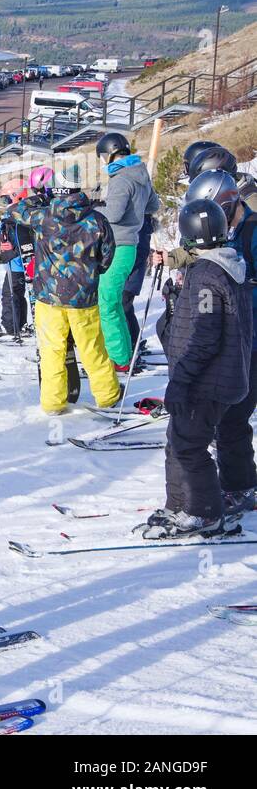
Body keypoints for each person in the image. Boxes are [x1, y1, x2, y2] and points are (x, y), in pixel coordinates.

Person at [137, 198, 251, 540]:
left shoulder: (206, 274)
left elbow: (204, 335)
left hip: (207, 381)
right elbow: (180, 332)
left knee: (189, 446)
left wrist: (183, 380)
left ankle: (204, 512)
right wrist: (173, 305)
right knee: (178, 440)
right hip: (214, 377)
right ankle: (179, 505)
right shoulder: (225, 266)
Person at [157, 167, 257, 518]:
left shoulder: (252, 233)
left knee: (227, 423)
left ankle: (227, 495)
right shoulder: (225, 246)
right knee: (224, 422)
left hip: (241, 343)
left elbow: (204, 331)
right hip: (233, 341)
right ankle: (223, 490)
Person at [2, 175, 121, 413]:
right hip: (83, 297)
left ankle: (53, 402)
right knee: (93, 349)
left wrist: (37, 197)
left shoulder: (44, 217)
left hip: (49, 296)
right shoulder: (96, 220)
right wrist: (91, 272)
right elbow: (107, 256)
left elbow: (15, 209)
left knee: (51, 351)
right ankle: (108, 396)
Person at [94, 132, 159, 370]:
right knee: (116, 303)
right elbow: (154, 205)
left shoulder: (120, 178)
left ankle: (119, 358)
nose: (103, 161)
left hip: (118, 246)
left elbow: (114, 215)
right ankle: (123, 352)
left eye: (103, 156)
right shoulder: (140, 173)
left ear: (110, 153)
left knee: (107, 303)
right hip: (131, 244)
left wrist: (94, 211)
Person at [0, 176, 35, 340]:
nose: (5, 203)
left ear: (17, 196)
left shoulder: (15, 217)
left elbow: (18, 240)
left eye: (6, 198)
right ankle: (19, 322)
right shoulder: (23, 214)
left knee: (10, 295)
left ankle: (10, 325)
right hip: (23, 265)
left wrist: (10, 248)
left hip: (16, 266)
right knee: (17, 294)